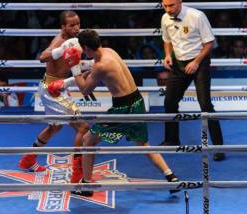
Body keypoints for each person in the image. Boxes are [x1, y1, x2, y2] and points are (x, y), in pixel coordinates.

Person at [48, 29, 181, 196]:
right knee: (143, 144)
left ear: (87, 48)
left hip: (123, 108)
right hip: (137, 101)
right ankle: (171, 175)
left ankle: (87, 185)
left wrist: (74, 67)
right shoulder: (109, 51)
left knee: (87, 140)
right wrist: (67, 82)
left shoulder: (100, 66)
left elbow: (85, 89)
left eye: (82, 50)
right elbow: (92, 71)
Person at [18, 11, 91, 185]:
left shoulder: (76, 39)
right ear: (63, 27)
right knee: (83, 127)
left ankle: (28, 160)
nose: (76, 28)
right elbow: (42, 57)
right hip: (53, 90)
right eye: (71, 25)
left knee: (55, 127)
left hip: (57, 86)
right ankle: (77, 173)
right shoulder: (60, 41)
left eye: (78, 24)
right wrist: (62, 48)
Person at [160, 0, 225, 161]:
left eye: (171, 5)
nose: (168, 9)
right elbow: (167, 39)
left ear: (180, 2)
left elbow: (209, 42)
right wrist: (168, 55)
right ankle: (171, 140)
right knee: (169, 102)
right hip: (179, 64)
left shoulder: (197, 16)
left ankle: (219, 148)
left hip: (199, 63)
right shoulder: (165, 18)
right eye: (165, 5)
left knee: (205, 104)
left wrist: (196, 62)